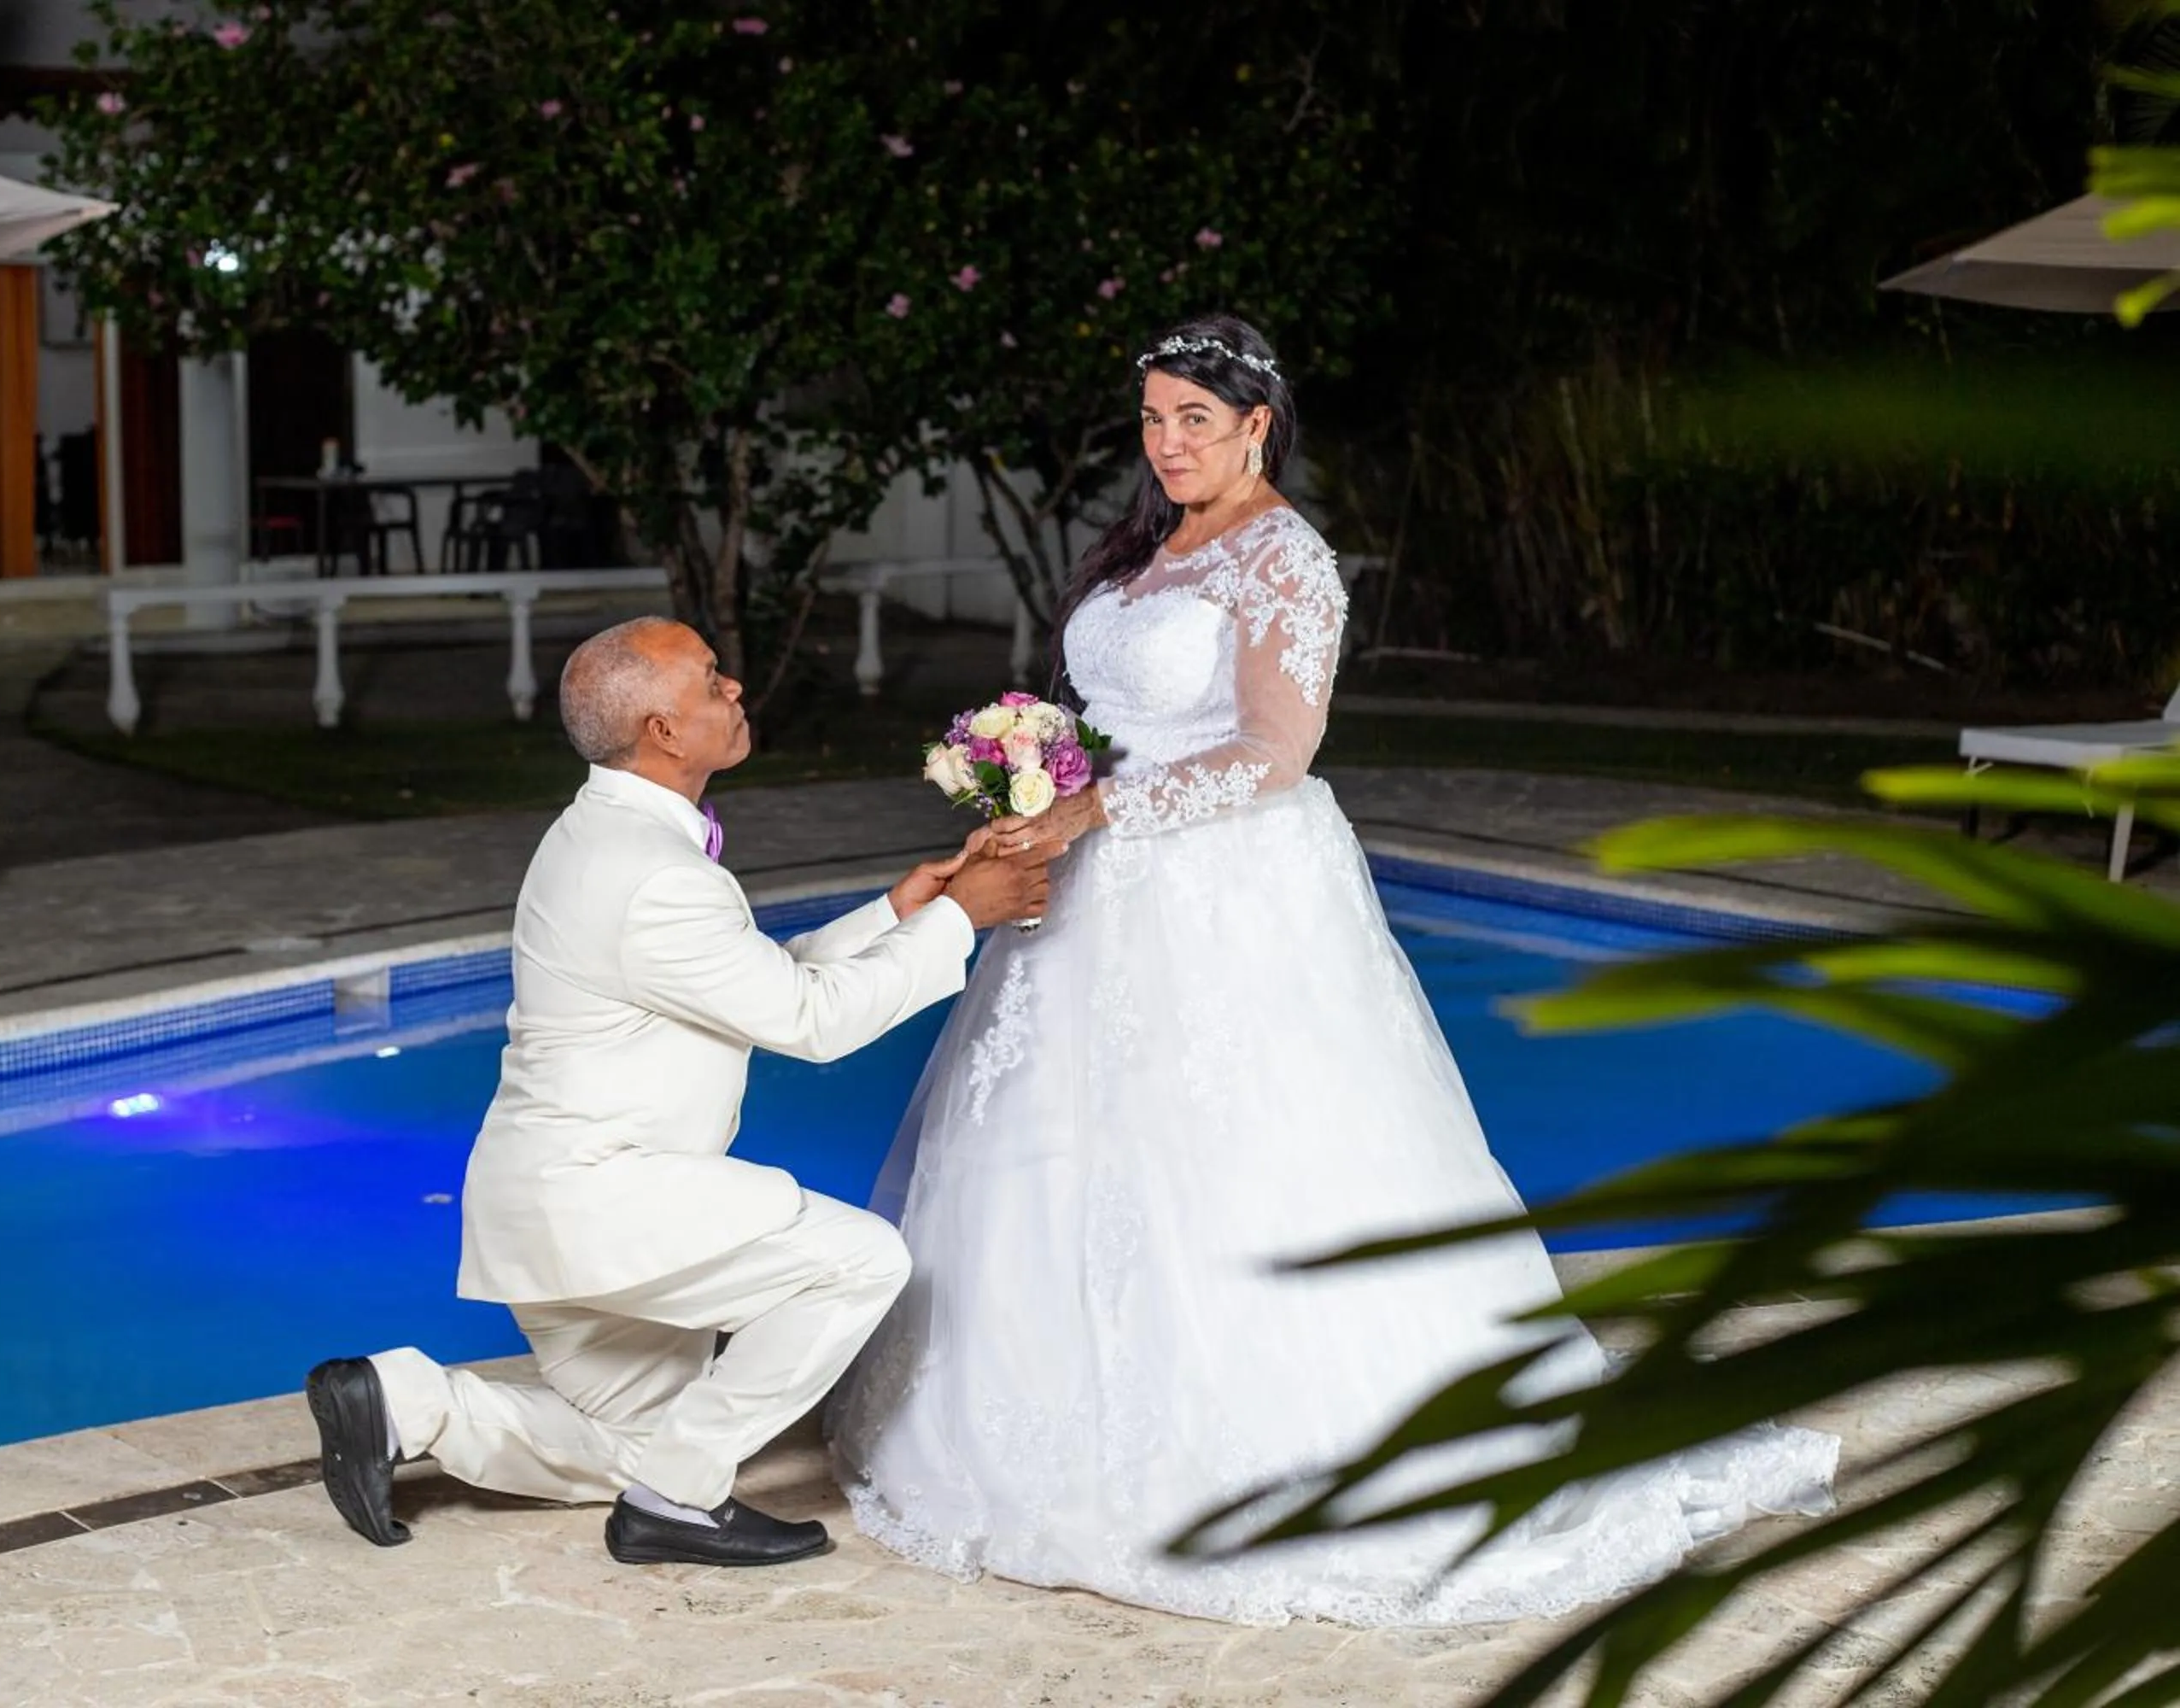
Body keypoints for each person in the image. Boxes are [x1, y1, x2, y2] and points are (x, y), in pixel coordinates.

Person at [825, 315, 1838, 1626]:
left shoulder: (1284, 556)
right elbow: (1121, 721)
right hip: (1088, 897)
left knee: (1237, 1154)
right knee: (1058, 1145)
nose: (1169, 443)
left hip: (1222, 890)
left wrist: (1099, 813)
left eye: (1197, 419)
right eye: (1152, 419)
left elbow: (1275, 753)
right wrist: (1044, 778)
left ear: (1258, 426)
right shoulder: (1148, 551)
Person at [308, 616, 1061, 1570]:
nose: (736, 687)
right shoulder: (653, 871)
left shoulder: (603, 834)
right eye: (712, 680)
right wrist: (961, 915)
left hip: (550, 1206)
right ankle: (678, 1501)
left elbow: (744, 982)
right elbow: (813, 1022)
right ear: (663, 730)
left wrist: (896, 914)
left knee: (640, 1443)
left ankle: (406, 1401)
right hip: (604, 1200)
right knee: (862, 1259)